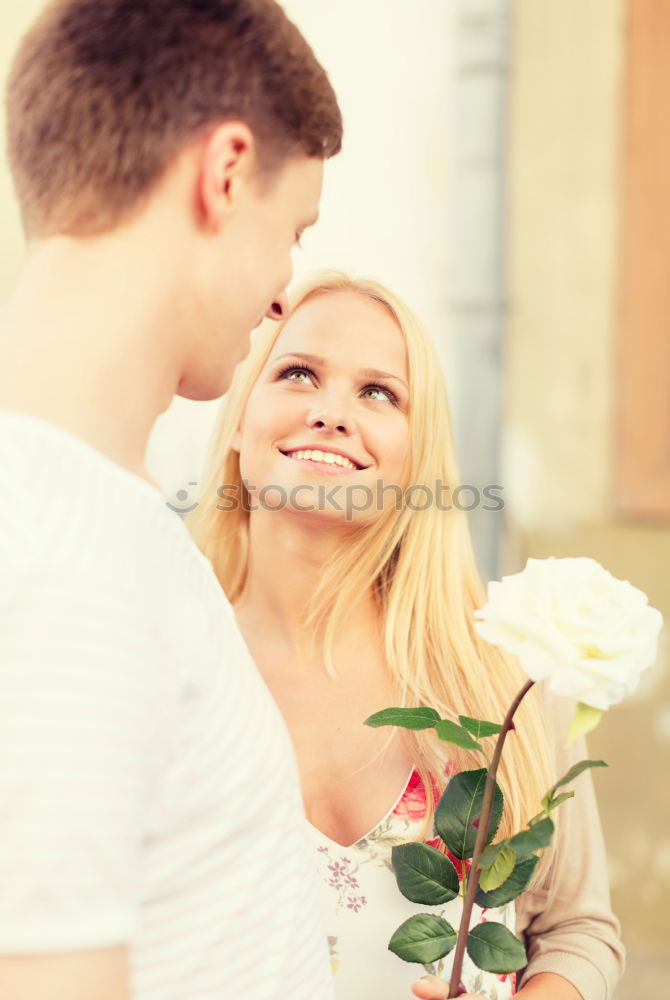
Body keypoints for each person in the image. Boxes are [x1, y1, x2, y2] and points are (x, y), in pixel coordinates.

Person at [0, 2, 342, 998]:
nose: (284, 290)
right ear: (224, 172)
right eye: (294, 230)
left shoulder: (103, 516)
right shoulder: (56, 560)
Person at [189, 271, 625, 1000]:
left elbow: (578, 930)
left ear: (417, 452)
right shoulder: (167, 658)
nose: (331, 413)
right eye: (297, 373)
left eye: (379, 392)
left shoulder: (503, 674)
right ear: (239, 420)